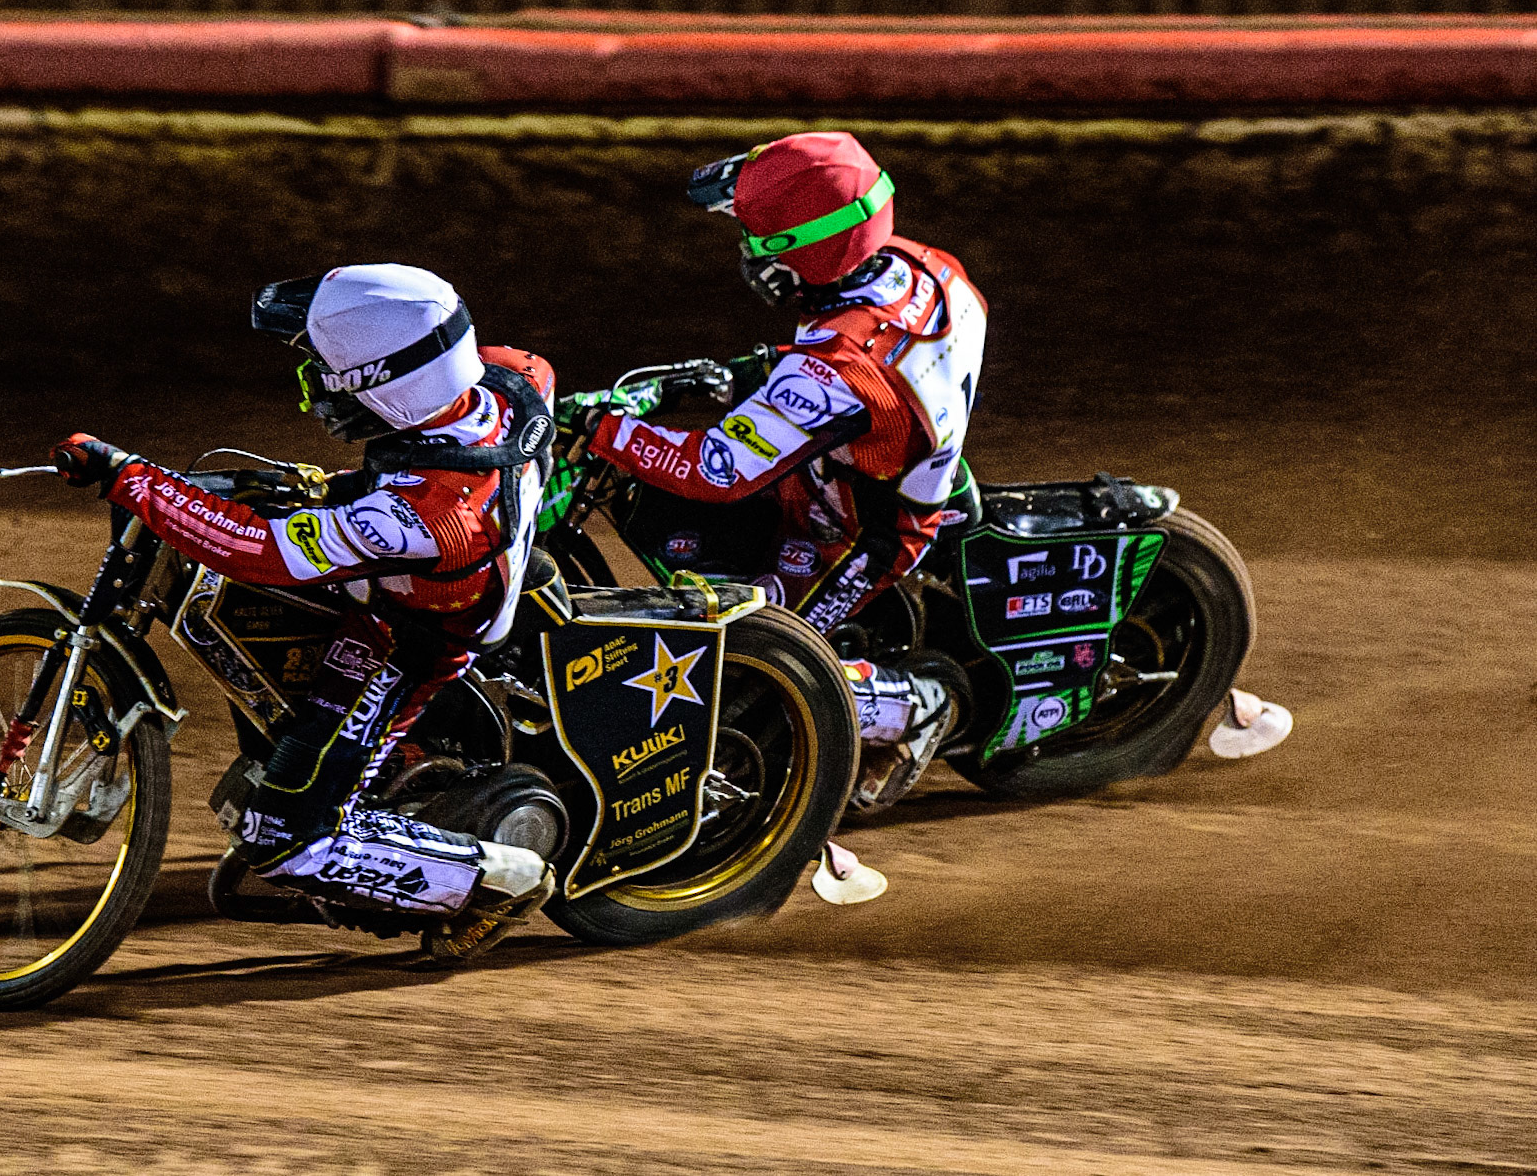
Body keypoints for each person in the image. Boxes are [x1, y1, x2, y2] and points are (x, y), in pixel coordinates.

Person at [50, 263, 557, 961]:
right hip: (450, 575)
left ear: (389, 386)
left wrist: (133, 479)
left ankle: (503, 876)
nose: (312, 384)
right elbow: (537, 374)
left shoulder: (419, 515)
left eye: (323, 371)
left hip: (406, 639)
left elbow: (258, 549)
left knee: (277, 839)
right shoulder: (506, 379)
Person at [567, 132, 988, 806]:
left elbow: (715, 468)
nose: (746, 249)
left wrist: (604, 429)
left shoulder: (836, 372)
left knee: (759, 657)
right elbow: (842, 351)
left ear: (806, 253)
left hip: (859, 533)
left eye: (756, 237)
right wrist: (747, 373)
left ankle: (918, 704)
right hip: (879, 460)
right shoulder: (923, 264)